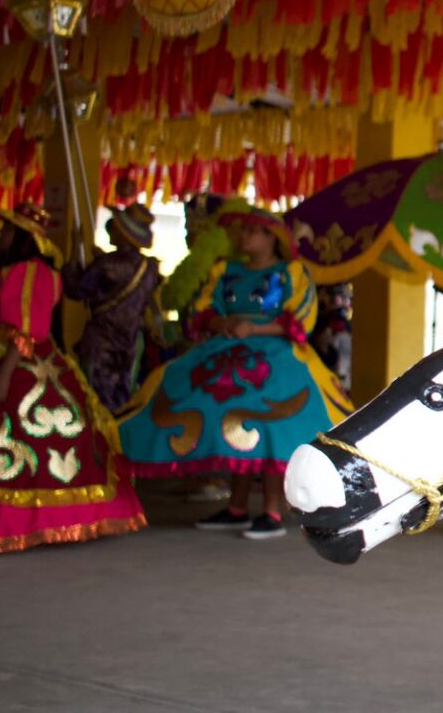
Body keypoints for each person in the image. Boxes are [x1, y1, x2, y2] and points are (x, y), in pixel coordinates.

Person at [119, 207, 352, 540]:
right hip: (226, 350)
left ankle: (271, 509)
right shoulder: (225, 270)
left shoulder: (291, 272)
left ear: (271, 237)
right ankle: (237, 506)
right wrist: (221, 323)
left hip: (276, 353)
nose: (243, 237)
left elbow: (302, 317)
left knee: (271, 422)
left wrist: (256, 328)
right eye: (241, 231)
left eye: (250, 231)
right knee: (211, 409)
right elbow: (203, 310)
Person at [0, 203, 146, 551]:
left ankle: (15, 519)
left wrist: (4, 375)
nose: (0, 235)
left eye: (7, 230)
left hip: (14, 360)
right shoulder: (21, 269)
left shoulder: (29, 270)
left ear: (20, 237)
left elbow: (25, 327)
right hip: (13, 354)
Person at [63, 203, 164, 411]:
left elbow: (75, 289)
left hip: (101, 345)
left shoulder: (108, 265)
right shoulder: (150, 267)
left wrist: (75, 249)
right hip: (130, 345)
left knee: (94, 403)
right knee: (122, 400)